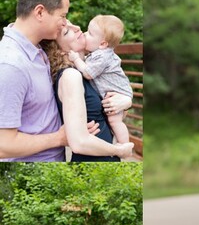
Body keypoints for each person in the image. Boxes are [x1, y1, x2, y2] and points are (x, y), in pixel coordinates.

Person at [0, 0, 70, 161]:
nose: (65, 23)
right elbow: (3, 145)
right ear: (39, 12)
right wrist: (58, 138)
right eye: (63, 16)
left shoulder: (38, 48)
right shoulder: (11, 65)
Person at [41, 21, 133, 161]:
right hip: (94, 161)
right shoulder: (71, 75)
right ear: (60, 51)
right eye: (67, 31)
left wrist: (126, 102)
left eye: (73, 24)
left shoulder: (94, 71)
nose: (77, 28)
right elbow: (79, 143)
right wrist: (119, 150)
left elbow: (109, 116)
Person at [67, 15, 133, 144]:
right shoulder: (97, 54)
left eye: (90, 33)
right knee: (112, 122)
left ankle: (125, 146)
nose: (85, 34)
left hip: (118, 94)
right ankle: (118, 142)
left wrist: (76, 59)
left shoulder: (102, 56)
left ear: (103, 44)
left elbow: (88, 73)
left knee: (115, 121)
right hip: (113, 95)